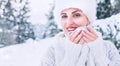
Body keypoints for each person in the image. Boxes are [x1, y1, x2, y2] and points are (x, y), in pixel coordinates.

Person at [40, 0, 120, 66]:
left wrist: (99, 55)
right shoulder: (52, 51)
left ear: (88, 19)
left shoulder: (108, 47)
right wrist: (70, 58)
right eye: (64, 16)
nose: (69, 22)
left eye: (76, 15)